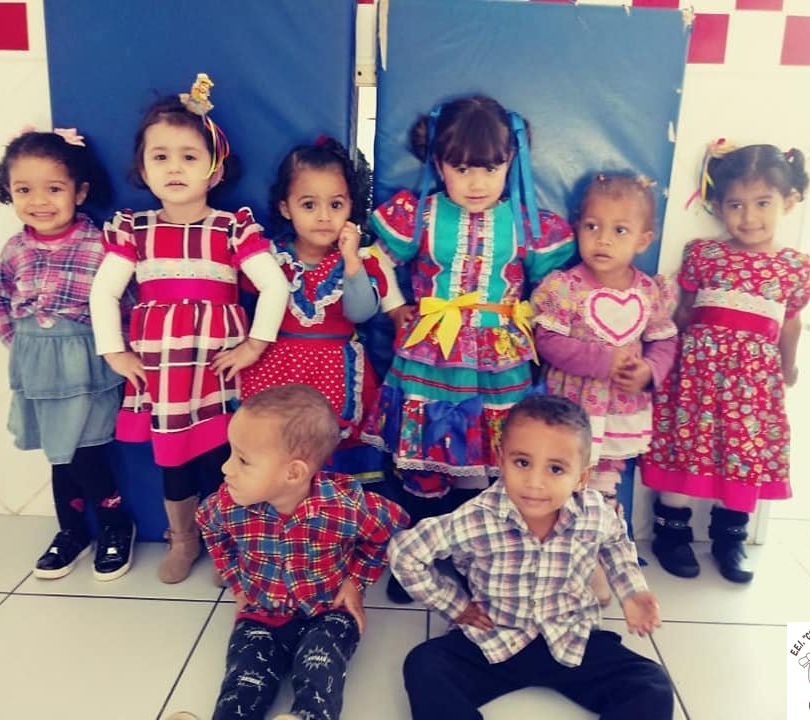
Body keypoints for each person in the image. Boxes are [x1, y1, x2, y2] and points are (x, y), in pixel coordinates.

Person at [361, 95, 575, 601]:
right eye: (461, 169)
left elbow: (554, 285)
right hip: (430, 353)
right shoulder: (421, 215)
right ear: (439, 165)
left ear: (510, 162)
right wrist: (395, 308)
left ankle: (471, 556)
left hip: (500, 359)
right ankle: (419, 555)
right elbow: (376, 259)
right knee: (423, 456)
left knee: (488, 457)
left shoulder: (525, 223)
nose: (477, 182)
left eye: (491, 169)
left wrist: (540, 324)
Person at [89, 75, 290, 584]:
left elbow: (274, 286)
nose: (174, 168)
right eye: (161, 157)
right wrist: (114, 352)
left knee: (229, 458)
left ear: (214, 169)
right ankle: (183, 539)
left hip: (220, 369)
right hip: (165, 373)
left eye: (189, 156)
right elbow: (103, 292)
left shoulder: (232, 227)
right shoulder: (134, 230)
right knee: (175, 463)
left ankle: (230, 542)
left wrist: (255, 345)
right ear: (143, 169)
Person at [389, 394, 672, 720]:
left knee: (652, 684)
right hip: (495, 637)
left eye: (556, 469)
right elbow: (405, 553)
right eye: (522, 463)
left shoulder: (595, 512)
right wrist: (456, 606)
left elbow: (616, 542)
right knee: (425, 665)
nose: (535, 483)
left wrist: (632, 592)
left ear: (581, 478)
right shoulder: (477, 516)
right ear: (501, 460)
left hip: (571, 637)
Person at [641, 140, 810, 583]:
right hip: (696, 378)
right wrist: (664, 362)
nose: (749, 216)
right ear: (718, 206)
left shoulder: (795, 267)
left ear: (789, 202)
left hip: (753, 386)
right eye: (736, 204)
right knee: (688, 448)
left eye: (763, 203)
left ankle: (729, 539)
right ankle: (671, 534)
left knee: (743, 454)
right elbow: (683, 313)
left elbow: (790, 324)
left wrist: (789, 367)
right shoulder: (704, 254)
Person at [196, 383, 410, 720]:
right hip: (261, 611)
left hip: (328, 610)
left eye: (243, 460)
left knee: (319, 669)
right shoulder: (227, 504)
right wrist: (237, 581)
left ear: (293, 472)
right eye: (231, 453)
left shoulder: (343, 506)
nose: (226, 468)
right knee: (244, 679)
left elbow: (392, 525)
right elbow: (208, 526)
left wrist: (355, 581)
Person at [0, 128, 135, 581]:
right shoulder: (14, 249)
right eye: (23, 190)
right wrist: (19, 342)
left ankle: (114, 524)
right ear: (8, 191)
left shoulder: (100, 246)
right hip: (38, 371)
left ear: (79, 192)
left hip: (87, 370)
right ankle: (71, 531)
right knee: (58, 456)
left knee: (87, 454)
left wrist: (120, 351)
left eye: (53, 188)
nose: (39, 201)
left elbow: (127, 304)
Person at [530, 173, 677, 605]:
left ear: (644, 240)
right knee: (560, 482)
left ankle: (595, 562)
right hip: (571, 411)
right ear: (578, 227)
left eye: (620, 230)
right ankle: (550, 560)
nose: (604, 240)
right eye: (592, 226)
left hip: (617, 414)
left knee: (601, 490)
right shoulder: (564, 287)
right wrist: (601, 360)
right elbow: (547, 341)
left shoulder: (649, 292)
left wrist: (650, 370)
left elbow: (665, 340)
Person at [238, 136, 406, 483]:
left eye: (336, 204)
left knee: (332, 449)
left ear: (350, 208)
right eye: (309, 205)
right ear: (286, 208)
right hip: (278, 366)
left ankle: (332, 509)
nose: (324, 217)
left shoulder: (359, 260)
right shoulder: (269, 257)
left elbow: (360, 313)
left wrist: (351, 261)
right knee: (278, 446)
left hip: (336, 369)